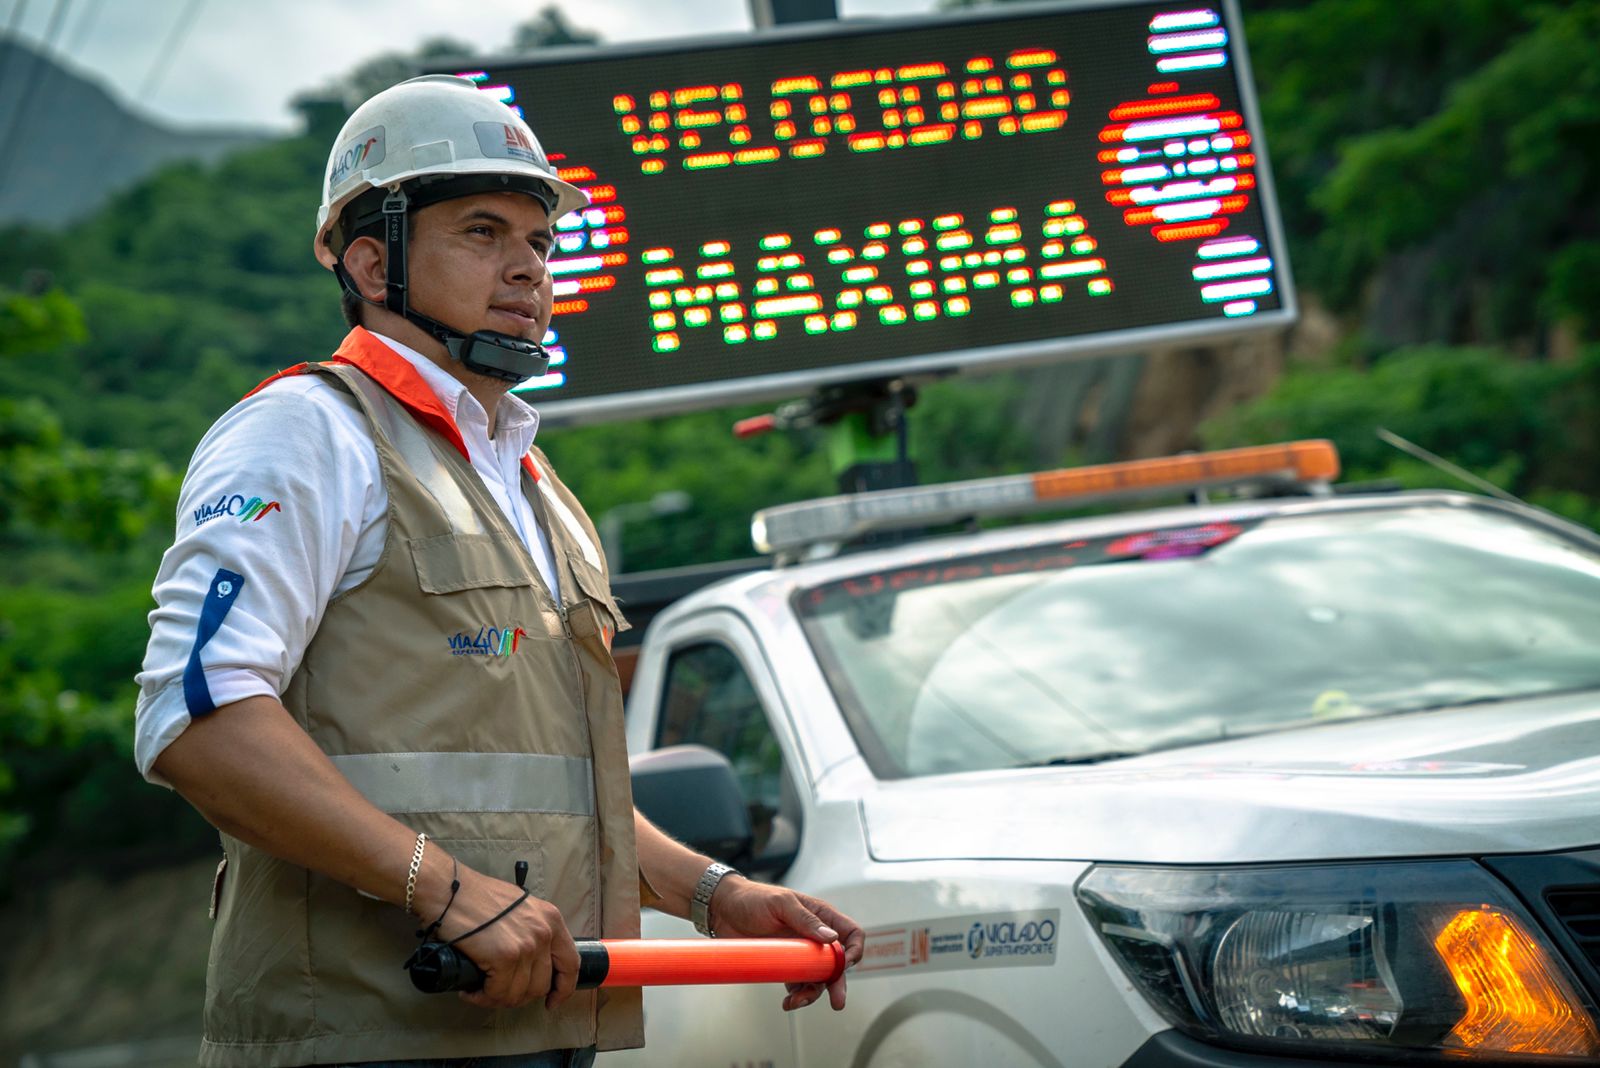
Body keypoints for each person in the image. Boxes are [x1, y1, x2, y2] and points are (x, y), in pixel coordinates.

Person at [134, 74, 864, 1068]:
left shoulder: (528, 478)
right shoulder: (305, 433)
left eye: (539, 241)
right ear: (371, 263)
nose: (527, 269)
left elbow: (554, 796)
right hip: (356, 1034)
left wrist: (717, 894)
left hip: (532, 1030)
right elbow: (199, 721)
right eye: (482, 233)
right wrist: (446, 889)